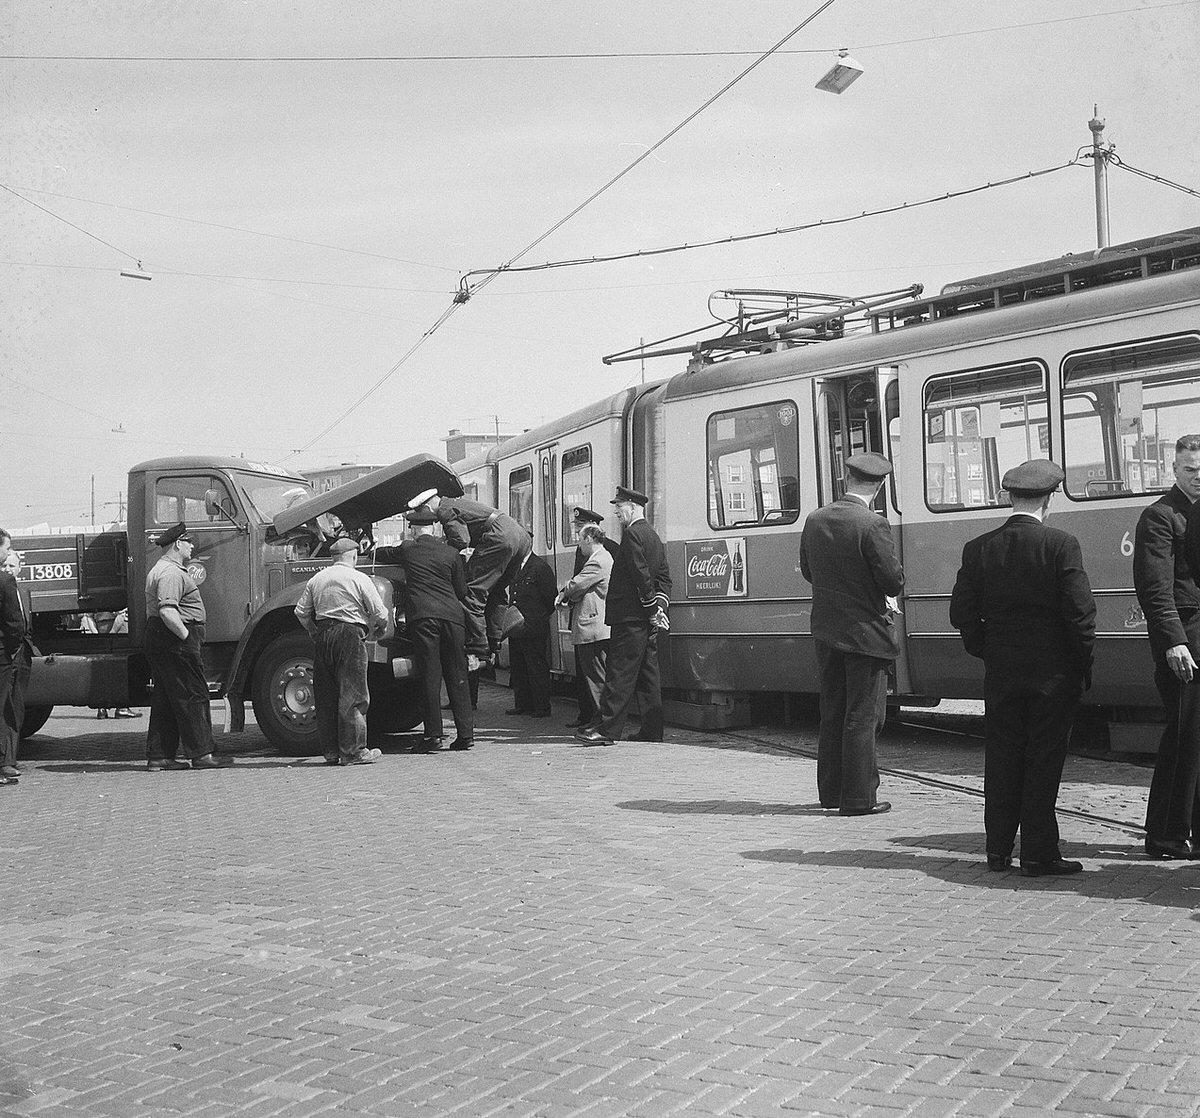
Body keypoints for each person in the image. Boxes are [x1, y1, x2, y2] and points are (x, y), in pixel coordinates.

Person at [950, 460, 1097, 876]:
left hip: (1001, 672)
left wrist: (987, 649)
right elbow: (1080, 614)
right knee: (1042, 761)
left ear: (1010, 497)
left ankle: (997, 852)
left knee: (1001, 758)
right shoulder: (1061, 545)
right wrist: (1081, 662)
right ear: (1049, 500)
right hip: (1054, 675)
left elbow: (961, 611)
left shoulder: (978, 547)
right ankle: (1038, 854)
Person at [798, 453, 903, 816]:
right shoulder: (873, 524)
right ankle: (859, 799)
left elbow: (809, 571)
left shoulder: (815, 520)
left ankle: (831, 792)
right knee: (863, 715)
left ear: (846, 479)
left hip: (826, 630)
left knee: (833, 711)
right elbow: (892, 580)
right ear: (879, 485)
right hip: (866, 634)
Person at [1137, 434, 1200, 858]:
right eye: (1190, 470)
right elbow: (1155, 588)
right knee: (1183, 737)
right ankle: (1164, 834)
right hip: (1185, 637)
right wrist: (1173, 642)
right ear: (1174, 471)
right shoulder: (1161, 516)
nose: (1198, 477)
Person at [576, 486, 671, 747]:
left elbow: (641, 577)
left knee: (619, 673)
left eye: (619, 506)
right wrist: (658, 609)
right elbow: (663, 577)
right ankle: (653, 730)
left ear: (632, 506)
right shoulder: (653, 536)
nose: (616, 511)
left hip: (629, 618)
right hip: (645, 619)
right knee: (648, 674)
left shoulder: (632, 535)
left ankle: (606, 731)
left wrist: (651, 610)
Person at [144, 523, 233, 771]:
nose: (193, 546)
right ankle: (202, 754)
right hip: (175, 639)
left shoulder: (163, 569)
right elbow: (168, 611)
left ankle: (160, 756)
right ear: (177, 544)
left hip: (164, 639)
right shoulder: (171, 573)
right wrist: (186, 637)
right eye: (189, 541)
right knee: (193, 696)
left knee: (167, 699)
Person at [294, 536, 389, 766]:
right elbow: (380, 612)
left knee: (326, 695)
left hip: (324, 634)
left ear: (334, 557)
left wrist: (313, 631)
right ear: (354, 556)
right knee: (354, 694)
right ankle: (354, 751)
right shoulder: (359, 578)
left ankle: (331, 752)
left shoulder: (317, 579)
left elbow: (301, 612)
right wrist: (378, 630)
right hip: (350, 635)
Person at [406, 489, 531, 662]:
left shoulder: (444, 509)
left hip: (500, 537)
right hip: (519, 536)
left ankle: (478, 645)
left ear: (427, 506)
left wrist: (439, 548)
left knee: (472, 591)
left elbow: (461, 540)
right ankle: (495, 637)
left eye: (420, 513)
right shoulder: (455, 503)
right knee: (496, 589)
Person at [390, 506, 474, 752]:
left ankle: (433, 736)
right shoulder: (451, 553)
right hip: (453, 619)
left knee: (430, 676)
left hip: (424, 618)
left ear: (414, 530)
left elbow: (384, 553)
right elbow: (462, 592)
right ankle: (466, 735)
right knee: (458, 675)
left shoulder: (408, 549)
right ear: (435, 528)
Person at [564, 507, 618, 727]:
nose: (578, 543)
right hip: (591, 621)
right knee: (592, 675)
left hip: (594, 622)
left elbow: (577, 583)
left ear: (590, 536)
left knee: (596, 676)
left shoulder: (600, 557)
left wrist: (565, 591)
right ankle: (593, 718)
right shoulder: (599, 553)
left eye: (580, 535)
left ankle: (601, 723)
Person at [506, 548, 558, 718]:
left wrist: (538, 617)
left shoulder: (540, 567)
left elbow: (550, 597)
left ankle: (541, 706)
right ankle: (522, 704)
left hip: (533, 625)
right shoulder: (514, 566)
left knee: (536, 667)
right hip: (516, 625)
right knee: (519, 667)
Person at [1, 534, 32, 783]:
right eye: (5, 565)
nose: (8, 569)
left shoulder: (21, 589)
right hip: (8, 652)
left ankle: (10, 758)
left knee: (16, 706)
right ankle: (6, 762)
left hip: (21, 654)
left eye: (12, 565)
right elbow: (12, 624)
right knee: (4, 706)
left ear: (20, 567)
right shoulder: (5, 584)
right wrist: (12, 649)